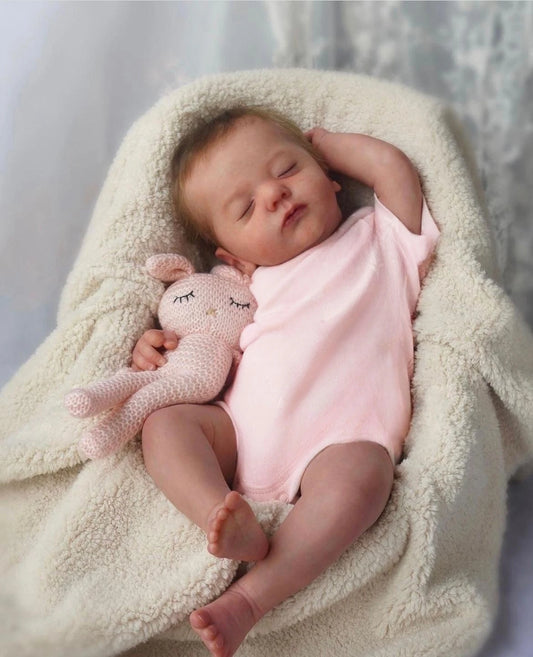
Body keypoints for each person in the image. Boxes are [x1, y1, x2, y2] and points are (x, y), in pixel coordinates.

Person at [134, 106, 439, 657]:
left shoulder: (382, 239)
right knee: (164, 423)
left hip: (339, 443)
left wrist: (325, 143)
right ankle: (218, 511)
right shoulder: (243, 285)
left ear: (329, 176)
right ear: (233, 255)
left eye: (287, 170)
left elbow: (393, 169)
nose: (274, 195)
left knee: (365, 481)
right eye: (246, 207)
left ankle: (251, 599)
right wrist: (156, 347)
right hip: (239, 429)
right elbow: (200, 335)